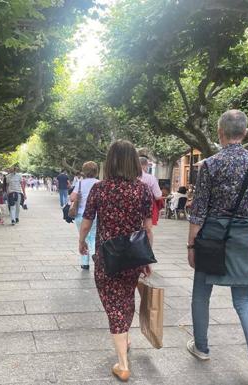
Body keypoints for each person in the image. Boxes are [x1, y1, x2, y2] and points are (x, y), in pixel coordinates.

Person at [186, 110, 248, 385]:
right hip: (245, 236)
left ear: (219, 132)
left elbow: (198, 211)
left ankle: (201, 347)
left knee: (201, 293)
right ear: (245, 133)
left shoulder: (210, 165)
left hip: (212, 236)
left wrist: (191, 245)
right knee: (244, 301)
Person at [78, 140, 153, 382]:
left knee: (113, 304)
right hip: (133, 255)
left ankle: (122, 364)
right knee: (126, 298)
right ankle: (125, 338)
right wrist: (147, 257)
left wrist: (82, 242)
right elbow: (148, 228)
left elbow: (87, 221)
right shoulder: (142, 189)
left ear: (109, 161)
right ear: (133, 161)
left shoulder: (100, 189)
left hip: (106, 255)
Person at [69, 161, 99, 270]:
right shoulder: (99, 183)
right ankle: (96, 257)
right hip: (95, 215)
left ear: (84, 172)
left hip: (81, 214)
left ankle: (84, 263)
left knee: (83, 237)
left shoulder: (80, 183)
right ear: (96, 171)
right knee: (94, 237)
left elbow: (72, 198)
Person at [139, 156, 164, 224]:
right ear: (144, 166)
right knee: (148, 230)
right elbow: (158, 196)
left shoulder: (129, 177)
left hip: (131, 208)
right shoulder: (150, 178)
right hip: (147, 208)